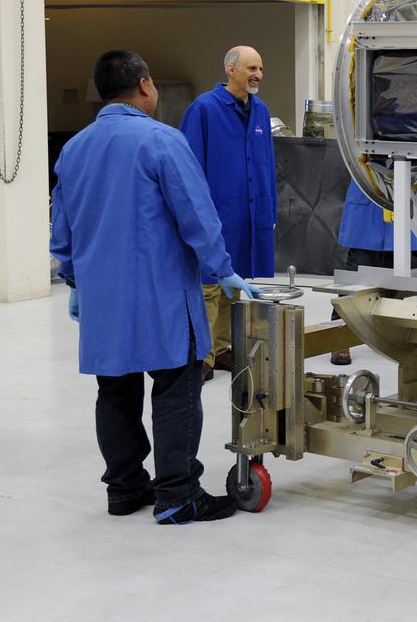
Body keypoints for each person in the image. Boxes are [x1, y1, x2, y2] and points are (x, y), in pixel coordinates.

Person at [50, 50, 262, 524]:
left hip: (103, 297)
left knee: (115, 390)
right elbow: (196, 214)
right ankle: (178, 495)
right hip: (160, 293)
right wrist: (223, 269)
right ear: (145, 85)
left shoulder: (74, 149)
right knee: (177, 384)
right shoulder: (161, 140)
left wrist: (73, 279)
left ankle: (125, 490)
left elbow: (61, 226)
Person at [180, 46, 277, 381]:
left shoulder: (261, 110)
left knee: (235, 282)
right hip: (216, 211)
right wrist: (196, 215)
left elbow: (268, 163)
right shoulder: (204, 109)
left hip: (249, 212)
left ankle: (221, 348)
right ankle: (202, 356)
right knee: (208, 283)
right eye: (251, 68)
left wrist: (268, 210)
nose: (258, 75)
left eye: (260, 69)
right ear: (231, 70)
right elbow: (189, 167)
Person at [330, 181, 417, 365]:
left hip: (399, 199)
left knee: (399, 281)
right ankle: (339, 338)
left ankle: (392, 336)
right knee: (354, 280)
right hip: (367, 200)